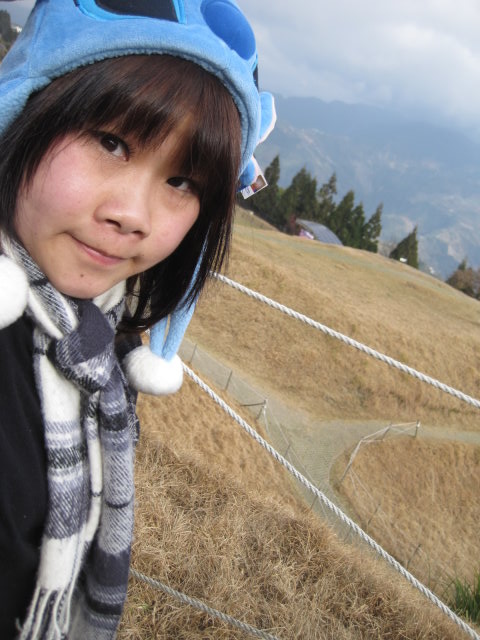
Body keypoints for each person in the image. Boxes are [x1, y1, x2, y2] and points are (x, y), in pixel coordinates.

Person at [0, 1, 275, 638]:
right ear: (24, 111)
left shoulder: (100, 339)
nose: (133, 215)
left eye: (182, 182)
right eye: (112, 142)